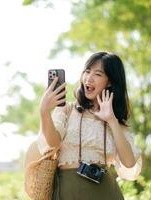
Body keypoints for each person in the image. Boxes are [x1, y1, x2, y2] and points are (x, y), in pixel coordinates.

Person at [37, 52, 142, 200]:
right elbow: (53, 143)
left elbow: (129, 163)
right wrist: (44, 112)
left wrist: (111, 120)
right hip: (68, 192)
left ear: (110, 82)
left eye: (98, 74)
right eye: (87, 71)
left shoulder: (115, 120)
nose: (89, 78)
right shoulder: (67, 110)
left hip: (106, 193)